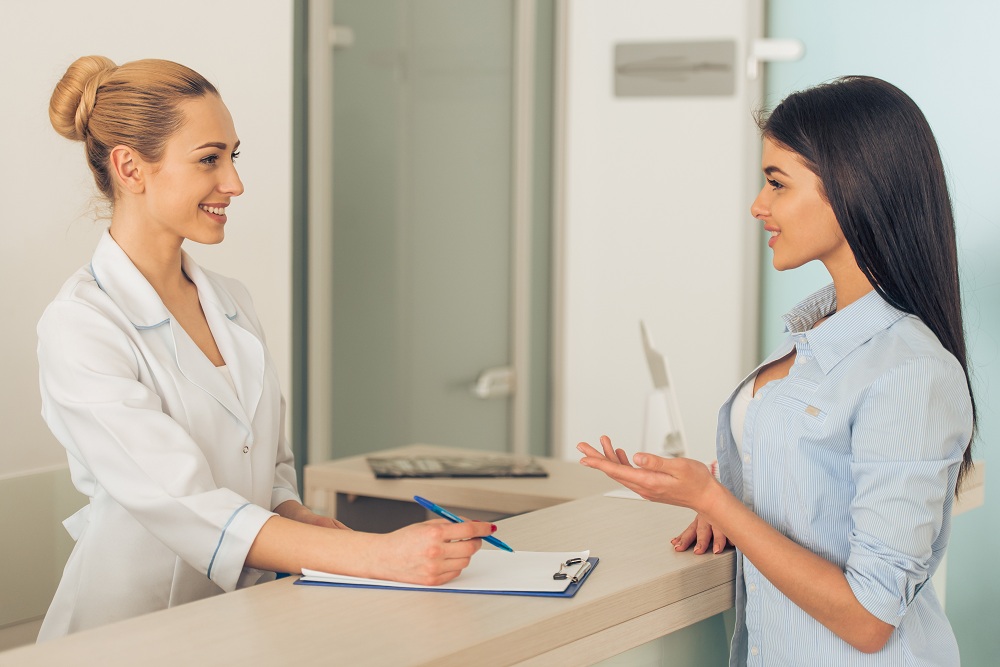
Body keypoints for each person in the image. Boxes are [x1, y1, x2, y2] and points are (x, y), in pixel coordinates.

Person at [37, 55, 493, 641]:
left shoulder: (231, 301)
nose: (234, 183)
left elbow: (267, 470)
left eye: (233, 156)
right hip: (124, 634)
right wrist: (382, 557)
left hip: (238, 623)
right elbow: (185, 505)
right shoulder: (81, 324)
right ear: (130, 167)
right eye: (209, 159)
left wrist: (304, 519)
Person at [578, 76, 975, 666]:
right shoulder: (814, 340)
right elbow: (813, 499)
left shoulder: (910, 371)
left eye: (776, 183)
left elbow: (869, 619)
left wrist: (716, 501)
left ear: (851, 189)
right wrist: (726, 508)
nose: (758, 205)